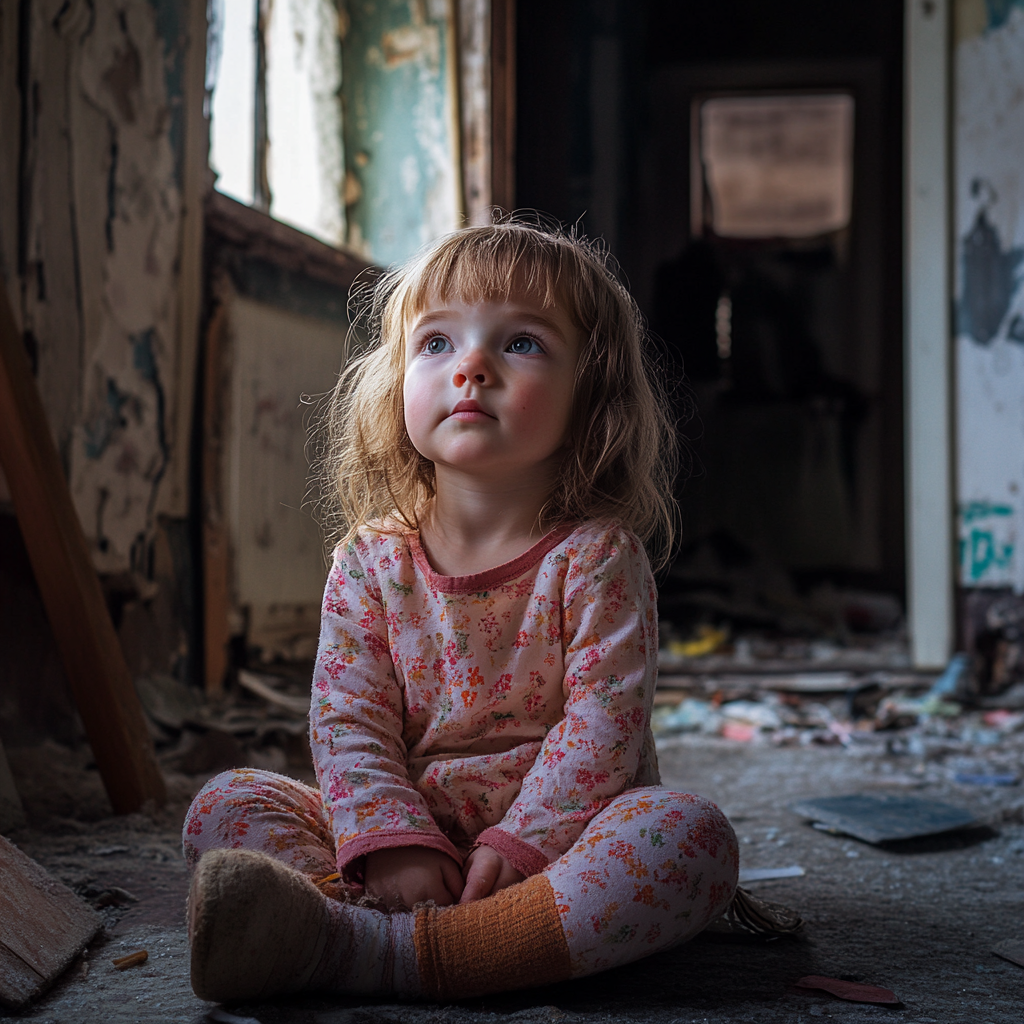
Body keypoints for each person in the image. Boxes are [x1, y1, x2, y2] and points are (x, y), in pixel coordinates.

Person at [182, 220, 740, 1003]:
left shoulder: (597, 556)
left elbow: (603, 731)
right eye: (436, 344)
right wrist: (389, 841)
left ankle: (379, 951)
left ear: (593, 392)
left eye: (521, 344)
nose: (471, 365)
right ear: (397, 380)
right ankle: (428, 936)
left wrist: (525, 845)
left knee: (688, 838)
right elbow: (350, 725)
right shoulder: (370, 562)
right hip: (407, 841)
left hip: (558, 848)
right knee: (225, 806)